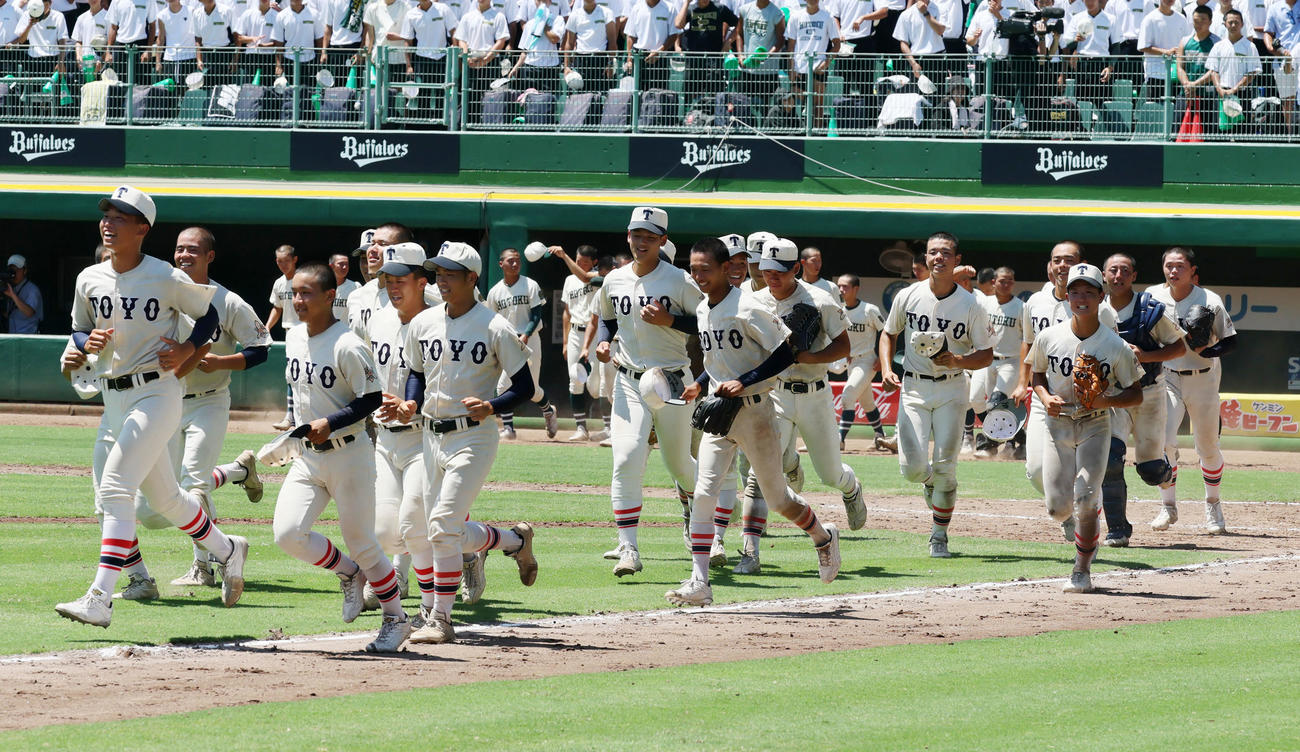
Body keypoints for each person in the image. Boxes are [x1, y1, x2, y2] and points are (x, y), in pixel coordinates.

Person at [56, 186, 250, 628]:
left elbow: (210, 316)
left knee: (115, 490)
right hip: (113, 395)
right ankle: (227, 549)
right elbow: (79, 330)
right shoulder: (89, 277)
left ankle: (100, 597)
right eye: (106, 214)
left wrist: (188, 350)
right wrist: (85, 344)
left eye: (121, 217)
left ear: (143, 228)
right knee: (167, 498)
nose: (109, 222)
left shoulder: (164, 275)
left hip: (156, 393)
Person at [666, 238, 841, 607]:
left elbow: (785, 352)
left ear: (726, 268)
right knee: (704, 493)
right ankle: (700, 581)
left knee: (777, 499)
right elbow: (717, 363)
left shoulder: (747, 306)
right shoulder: (702, 309)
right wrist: (700, 385)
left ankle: (823, 537)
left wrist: (744, 381)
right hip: (720, 411)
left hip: (758, 411)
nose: (698, 276)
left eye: (705, 269)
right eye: (693, 269)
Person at [398, 241, 540, 644]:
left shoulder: (494, 326)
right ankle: (515, 540)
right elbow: (415, 372)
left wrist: (492, 406)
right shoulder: (423, 323)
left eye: (450, 273)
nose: (441, 280)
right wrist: (410, 401)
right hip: (430, 435)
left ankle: (439, 619)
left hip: (473, 436)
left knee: (443, 526)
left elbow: (525, 386)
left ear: (472, 278)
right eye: (438, 273)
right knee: (433, 528)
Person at [271, 262, 411, 653]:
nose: (298, 300)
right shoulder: (296, 337)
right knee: (287, 533)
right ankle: (348, 573)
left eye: (306, 293)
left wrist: (331, 422)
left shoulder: (347, 343)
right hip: (309, 456)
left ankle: (397, 619)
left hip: (349, 455)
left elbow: (370, 397)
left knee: (364, 542)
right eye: (294, 293)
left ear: (331, 296)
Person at [741, 237, 864, 574]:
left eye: (780, 271)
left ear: (796, 268)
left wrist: (810, 356)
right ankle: (749, 551)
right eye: (767, 270)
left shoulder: (820, 300)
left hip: (814, 393)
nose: (772, 277)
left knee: (829, 473)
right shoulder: (752, 301)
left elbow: (843, 347)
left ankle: (851, 488)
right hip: (775, 393)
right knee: (758, 474)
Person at [593, 207, 702, 577]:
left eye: (650, 236)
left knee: (679, 464)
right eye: (636, 234)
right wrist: (604, 343)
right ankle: (629, 547)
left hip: (671, 378)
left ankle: (696, 506)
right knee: (625, 456)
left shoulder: (679, 280)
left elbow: (706, 324)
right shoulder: (614, 280)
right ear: (628, 236)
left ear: (663, 241)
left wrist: (670, 320)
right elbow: (607, 319)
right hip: (628, 377)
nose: (641, 241)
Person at [1027, 263, 1143, 593]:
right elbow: (1036, 375)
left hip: (1095, 425)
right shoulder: (1049, 336)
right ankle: (1079, 525)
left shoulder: (1114, 345)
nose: (1081, 298)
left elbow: (1135, 392)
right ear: (1066, 297)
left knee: (1087, 498)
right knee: (1057, 508)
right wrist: (1045, 395)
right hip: (1057, 425)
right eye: (1075, 292)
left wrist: (1106, 401)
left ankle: (1082, 570)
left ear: (1101, 297)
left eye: (1089, 292)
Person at [879, 231, 994, 558]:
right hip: (913, 386)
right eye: (933, 253)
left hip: (952, 387)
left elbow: (985, 354)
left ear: (957, 260)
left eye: (946, 253)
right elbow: (889, 334)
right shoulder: (908, 295)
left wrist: (959, 360)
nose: (939, 258)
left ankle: (938, 536)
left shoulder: (971, 304)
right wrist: (887, 368)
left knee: (946, 464)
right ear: (925, 259)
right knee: (912, 469)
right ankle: (932, 481)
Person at [1012, 240, 1116, 509]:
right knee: (1036, 471)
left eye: (1069, 260)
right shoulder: (1035, 302)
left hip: (1087, 402)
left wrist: (1103, 392)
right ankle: (1066, 511)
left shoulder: (1101, 309)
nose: (1062, 265)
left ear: (1081, 265)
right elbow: (1028, 342)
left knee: (1085, 474)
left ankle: (1084, 514)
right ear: (1049, 265)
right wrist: (1024, 383)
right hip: (1045, 396)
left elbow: (1114, 353)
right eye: (1057, 259)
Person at [1148, 247, 1237, 534]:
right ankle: (1168, 507)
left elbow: (1231, 341)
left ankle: (1213, 505)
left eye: (1180, 266)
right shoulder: (1152, 297)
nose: (1173, 271)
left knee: (1207, 446)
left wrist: (1209, 349)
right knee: (1164, 441)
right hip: (1169, 377)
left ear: (1193, 272)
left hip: (1204, 378)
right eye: (1169, 266)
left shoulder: (1209, 300)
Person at [1098, 252, 1185, 547]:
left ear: (1134, 276)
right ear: (1104, 274)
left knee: (1150, 470)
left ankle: (1164, 469)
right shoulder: (1093, 310)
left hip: (1148, 392)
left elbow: (1179, 348)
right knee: (1110, 459)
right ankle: (1118, 528)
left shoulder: (1150, 309)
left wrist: (1144, 355)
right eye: (1113, 270)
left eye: (1125, 270)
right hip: (1114, 395)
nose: (1118, 276)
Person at [487, 247, 559, 440]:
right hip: (507, 342)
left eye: (517, 260)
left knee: (531, 388)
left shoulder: (530, 285)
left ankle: (548, 410)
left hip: (530, 339)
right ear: (501, 264)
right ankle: (509, 429)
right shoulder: (495, 292)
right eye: (510, 260)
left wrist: (526, 334)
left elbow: (537, 315)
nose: (515, 263)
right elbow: (492, 320)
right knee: (502, 387)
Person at [836, 273, 894, 453]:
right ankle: (880, 437)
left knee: (847, 396)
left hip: (867, 361)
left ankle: (840, 440)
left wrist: (884, 360)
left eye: (845, 286)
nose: (841, 290)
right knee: (867, 402)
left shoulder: (870, 309)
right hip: (850, 363)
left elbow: (887, 333)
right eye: (839, 286)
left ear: (856, 289)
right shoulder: (839, 310)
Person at [973, 265, 1024, 458]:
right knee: (982, 402)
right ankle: (1019, 438)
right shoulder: (985, 303)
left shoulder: (1021, 307)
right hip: (987, 359)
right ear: (994, 282)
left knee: (997, 401)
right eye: (1003, 280)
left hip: (1010, 361)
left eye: (1011, 280)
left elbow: (1027, 338)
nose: (1007, 284)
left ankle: (988, 443)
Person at [554, 243, 602, 442]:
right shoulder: (568, 280)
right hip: (575, 332)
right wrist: (565, 342)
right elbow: (566, 313)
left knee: (595, 384)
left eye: (584, 262)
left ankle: (608, 426)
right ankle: (581, 428)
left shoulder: (600, 277)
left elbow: (583, 276)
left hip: (595, 333)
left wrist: (564, 256)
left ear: (594, 263)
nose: (580, 265)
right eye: (577, 261)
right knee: (575, 381)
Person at [398, 0, 457, 120]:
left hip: (442, 58)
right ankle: (423, 124)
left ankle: (442, 125)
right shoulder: (411, 15)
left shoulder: (443, 9)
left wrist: (454, 48)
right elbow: (408, 42)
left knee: (442, 93)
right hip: (422, 60)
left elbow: (453, 31)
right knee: (422, 94)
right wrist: (409, 65)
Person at [785, 0, 840, 128]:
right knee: (794, 104)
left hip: (818, 68)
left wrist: (826, 63)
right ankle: (795, 133)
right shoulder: (795, 17)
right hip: (799, 68)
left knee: (817, 106)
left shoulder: (827, 17)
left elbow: (837, 44)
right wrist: (791, 68)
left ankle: (817, 136)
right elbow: (791, 46)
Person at [1206, 8, 1260, 134]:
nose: (1233, 25)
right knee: (1220, 131)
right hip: (1221, 94)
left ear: (1242, 24)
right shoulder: (1218, 46)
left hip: (1242, 94)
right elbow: (1213, 70)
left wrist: (1234, 89)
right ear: (1225, 24)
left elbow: (1252, 73)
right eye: (1230, 22)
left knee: (1242, 131)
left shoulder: (1250, 46)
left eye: (1237, 22)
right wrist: (1219, 88)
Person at [674, 0, 739, 103]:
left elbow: (739, 24)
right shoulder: (691, 9)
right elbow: (678, 24)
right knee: (689, 93)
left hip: (714, 60)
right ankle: (689, 117)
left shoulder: (720, 8)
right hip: (694, 61)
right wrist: (686, 3)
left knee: (716, 94)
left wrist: (729, 41)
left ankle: (715, 117)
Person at [265, 244, 299, 431]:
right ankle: (291, 417)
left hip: (309, 332)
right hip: (290, 334)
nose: (282, 264)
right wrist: (266, 328)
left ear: (295, 260)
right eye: (279, 261)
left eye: (286, 261)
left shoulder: (305, 279)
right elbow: (277, 308)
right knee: (291, 375)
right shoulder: (279, 283)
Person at [1138, 0, 1192, 103]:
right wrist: (1165, 52)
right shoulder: (1149, 19)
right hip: (1155, 74)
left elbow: (1186, 43)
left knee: (1175, 113)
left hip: (1177, 75)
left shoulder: (1181, 19)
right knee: (1156, 112)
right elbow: (1143, 46)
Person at [564, 0, 618, 94]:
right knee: (580, 98)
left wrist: (610, 64)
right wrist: (566, 67)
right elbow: (569, 43)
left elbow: (612, 42)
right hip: (580, 61)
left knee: (601, 97)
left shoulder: (607, 13)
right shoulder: (575, 14)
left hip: (601, 61)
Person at [624, 0, 679, 92]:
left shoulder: (670, 8)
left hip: (660, 58)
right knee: (637, 94)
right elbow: (630, 35)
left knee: (658, 94)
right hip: (638, 57)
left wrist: (659, 51)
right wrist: (629, 59)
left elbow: (673, 35)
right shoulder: (636, 8)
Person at [1263, 0, 1300, 135]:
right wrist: (1270, 47)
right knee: (1287, 101)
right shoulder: (1274, 8)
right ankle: (1292, 136)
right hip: (1282, 57)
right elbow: (1268, 32)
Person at [4, 254, 42, 334]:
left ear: (24, 271)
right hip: (12, 336)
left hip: (28, 338)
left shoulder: (32, 290)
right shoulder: (9, 287)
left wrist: (12, 295)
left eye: (16, 270)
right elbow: (7, 314)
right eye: (11, 271)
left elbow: (29, 313)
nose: (13, 274)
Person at [329, 252, 361, 324]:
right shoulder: (322, 287)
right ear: (331, 266)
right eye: (341, 264)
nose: (344, 267)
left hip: (347, 332)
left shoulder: (355, 287)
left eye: (346, 264)